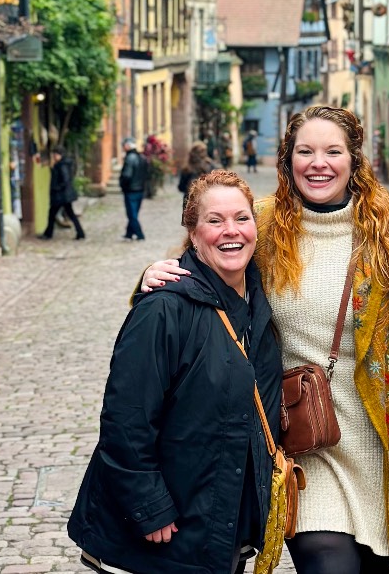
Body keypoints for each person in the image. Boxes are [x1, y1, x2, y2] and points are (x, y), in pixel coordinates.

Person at [141, 105, 389, 574]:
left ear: (354, 160)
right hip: (303, 444)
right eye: (305, 151)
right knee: (327, 563)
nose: (319, 163)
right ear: (288, 159)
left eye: (333, 151)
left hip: (383, 443)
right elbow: (206, 264)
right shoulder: (265, 227)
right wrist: (154, 276)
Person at [68, 171, 282, 574]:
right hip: (164, 537)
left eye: (241, 218)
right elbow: (126, 419)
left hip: (222, 529)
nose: (230, 231)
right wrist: (148, 507)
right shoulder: (163, 310)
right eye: (214, 220)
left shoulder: (260, 301)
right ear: (192, 230)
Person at [38, 146, 85, 240]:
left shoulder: (62, 165)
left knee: (52, 214)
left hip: (61, 195)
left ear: (59, 155)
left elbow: (65, 179)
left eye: (55, 154)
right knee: (70, 214)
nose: (54, 157)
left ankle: (48, 234)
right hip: (64, 195)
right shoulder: (63, 164)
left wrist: (56, 188)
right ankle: (80, 233)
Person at [119, 137, 148, 241]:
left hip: (131, 190)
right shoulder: (142, 157)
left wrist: (122, 184)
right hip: (140, 189)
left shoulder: (130, 158)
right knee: (134, 213)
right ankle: (129, 233)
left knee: (132, 214)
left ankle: (140, 235)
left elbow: (127, 175)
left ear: (127, 146)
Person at [178, 141, 216, 216]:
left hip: (190, 201)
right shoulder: (210, 165)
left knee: (191, 224)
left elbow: (181, 187)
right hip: (207, 200)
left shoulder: (187, 168)